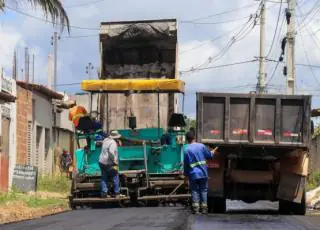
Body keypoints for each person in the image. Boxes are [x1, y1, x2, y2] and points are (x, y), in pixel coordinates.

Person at [184, 131, 218, 214]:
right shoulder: (201, 146)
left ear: (187, 140)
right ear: (194, 137)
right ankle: (204, 209)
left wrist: (186, 176)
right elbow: (209, 156)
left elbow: (186, 165)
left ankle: (196, 209)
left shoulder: (186, 150)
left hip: (193, 174)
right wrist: (214, 151)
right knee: (203, 190)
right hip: (203, 173)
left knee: (195, 190)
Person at [99, 130, 122, 198]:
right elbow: (111, 152)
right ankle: (117, 193)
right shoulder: (113, 143)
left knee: (104, 177)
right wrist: (114, 161)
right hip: (109, 163)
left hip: (101, 162)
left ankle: (104, 193)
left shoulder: (106, 140)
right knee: (115, 176)